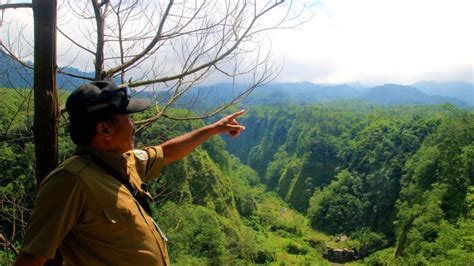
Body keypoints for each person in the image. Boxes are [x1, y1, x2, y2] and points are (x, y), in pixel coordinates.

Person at [15, 80, 246, 266]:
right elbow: (32, 259)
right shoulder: (71, 182)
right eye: (127, 118)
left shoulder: (126, 163)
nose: (133, 125)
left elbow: (166, 152)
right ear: (104, 129)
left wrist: (214, 129)